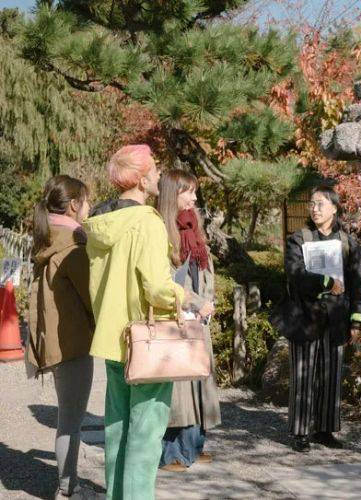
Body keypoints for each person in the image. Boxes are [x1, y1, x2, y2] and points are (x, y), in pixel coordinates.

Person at [83, 145, 185, 500]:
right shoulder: (147, 222)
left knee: (118, 428)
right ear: (142, 181)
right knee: (146, 433)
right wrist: (185, 299)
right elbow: (157, 288)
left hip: (111, 337)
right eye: (154, 170)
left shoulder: (98, 223)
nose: (158, 176)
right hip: (145, 340)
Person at [278, 185, 361, 452]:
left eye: (320, 204)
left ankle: (325, 429)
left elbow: (357, 284)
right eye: (312, 204)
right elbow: (294, 273)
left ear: (334, 208)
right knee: (303, 374)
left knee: (331, 374)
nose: (314, 209)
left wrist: (357, 319)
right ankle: (301, 432)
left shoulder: (348, 243)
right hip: (305, 315)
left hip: (337, 316)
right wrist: (326, 280)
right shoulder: (299, 238)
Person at [28, 175, 96, 499]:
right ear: (73, 205)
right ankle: (68, 489)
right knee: (71, 420)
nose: (89, 206)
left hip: (56, 342)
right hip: (73, 343)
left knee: (66, 417)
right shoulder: (73, 243)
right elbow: (91, 295)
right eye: (85, 201)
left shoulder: (48, 238)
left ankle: (67, 484)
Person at [156, 169, 221, 472]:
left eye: (194, 191)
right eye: (188, 192)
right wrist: (195, 301)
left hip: (198, 317)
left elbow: (203, 271)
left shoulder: (194, 227)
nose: (194, 198)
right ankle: (173, 454)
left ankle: (194, 446)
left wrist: (208, 300)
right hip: (176, 317)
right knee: (179, 388)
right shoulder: (161, 230)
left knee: (198, 380)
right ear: (173, 194)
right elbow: (168, 279)